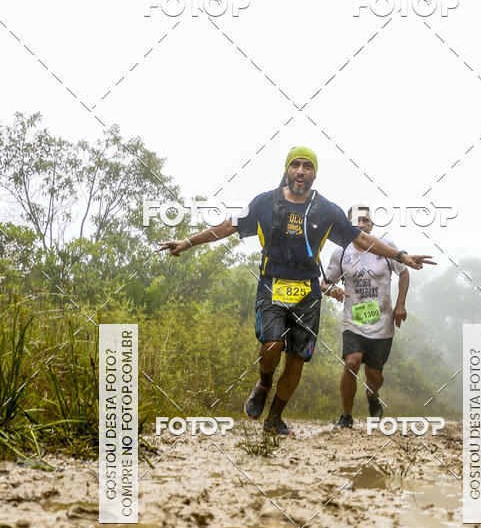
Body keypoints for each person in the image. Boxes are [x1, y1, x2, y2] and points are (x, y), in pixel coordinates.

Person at [157, 147, 435, 436]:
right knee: (272, 345)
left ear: (314, 173)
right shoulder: (265, 203)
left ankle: (274, 419)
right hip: (272, 283)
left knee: (297, 360)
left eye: (307, 167)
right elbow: (227, 227)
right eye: (295, 165)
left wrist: (402, 257)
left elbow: (362, 239)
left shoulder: (326, 209)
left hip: (308, 291)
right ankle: (264, 384)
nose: (300, 171)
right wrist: (188, 242)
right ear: (287, 170)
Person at [322, 205, 409, 427]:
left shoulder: (386, 247)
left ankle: (372, 395)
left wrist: (400, 305)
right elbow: (325, 282)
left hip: (382, 322)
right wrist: (332, 290)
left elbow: (404, 272)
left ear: (372, 225)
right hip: (354, 321)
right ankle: (346, 416)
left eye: (366, 221)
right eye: (356, 221)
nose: (361, 224)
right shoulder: (341, 252)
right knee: (352, 362)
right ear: (348, 224)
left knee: (374, 375)